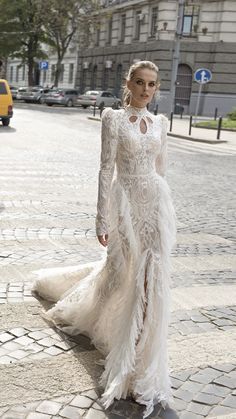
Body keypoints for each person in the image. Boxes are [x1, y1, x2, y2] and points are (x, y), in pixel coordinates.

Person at [32, 60, 176, 418]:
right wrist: (102, 217)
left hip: (154, 206)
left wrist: (162, 208)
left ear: (157, 88)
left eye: (152, 85)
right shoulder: (113, 119)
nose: (146, 90)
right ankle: (95, 313)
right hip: (124, 206)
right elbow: (105, 168)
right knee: (116, 275)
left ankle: (138, 350)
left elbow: (161, 170)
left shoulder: (161, 123)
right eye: (140, 82)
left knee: (150, 277)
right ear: (128, 83)